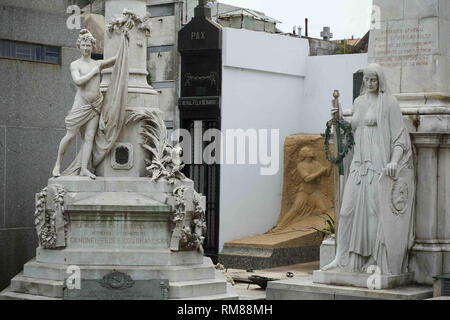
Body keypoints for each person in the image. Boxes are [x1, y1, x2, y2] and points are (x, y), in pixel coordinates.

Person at [322, 63, 415, 275]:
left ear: (380, 80)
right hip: (358, 165)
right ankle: (341, 258)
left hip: (377, 165)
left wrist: (394, 161)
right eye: (367, 79)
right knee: (346, 212)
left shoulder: (389, 103)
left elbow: (400, 137)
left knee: (375, 214)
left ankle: (374, 258)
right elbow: (352, 128)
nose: (370, 83)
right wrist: (338, 120)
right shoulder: (359, 102)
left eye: (374, 79)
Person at [52, 29, 117, 179]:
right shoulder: (75, 64)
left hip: (96, 105)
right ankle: (57, 165)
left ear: (92, 46)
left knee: (89, 138)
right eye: (84, 45)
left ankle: (83, 169)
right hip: (81, 104)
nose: (86, 48)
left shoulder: (97, 63)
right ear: (79, 46)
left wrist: (126, 41)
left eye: (89, 45)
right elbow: (78, 81)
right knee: (70, 135)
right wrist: (94, 72)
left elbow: (114, 60)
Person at [270, 146, 333, 233]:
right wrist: (321, 171)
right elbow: (307, 178)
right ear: (304, 154)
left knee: (323, 209)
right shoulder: (301, 165)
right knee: (295, 209)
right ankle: (279, 227)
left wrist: (332, 161)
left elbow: (327, 173)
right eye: (309, 150)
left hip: (314, 192)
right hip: (304, 192)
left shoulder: (316, 163)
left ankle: (304, 219)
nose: (312, 151)